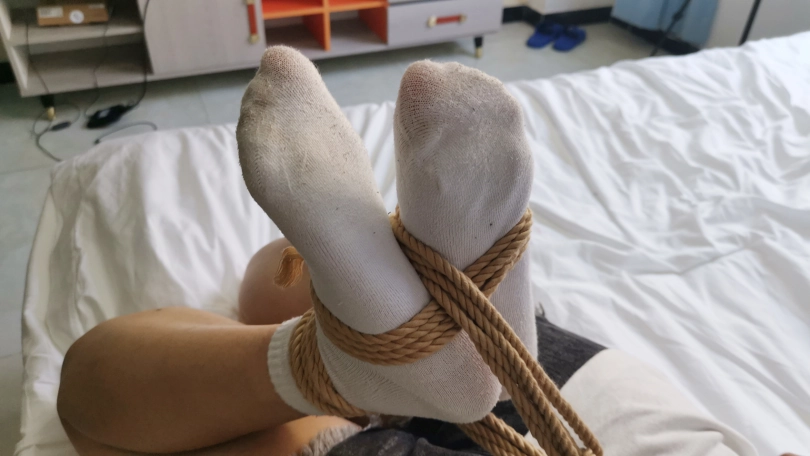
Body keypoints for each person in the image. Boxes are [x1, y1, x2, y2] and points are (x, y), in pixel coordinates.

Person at [57, 47, 761, 456]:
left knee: (94, 406)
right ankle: (398, 333)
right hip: (579, 401)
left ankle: (360, 353)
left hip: (610, 412)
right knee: (269, 286)